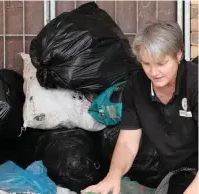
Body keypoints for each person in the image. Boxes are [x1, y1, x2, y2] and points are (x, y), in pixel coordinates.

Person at [82, 21, 198, 194]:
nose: (154, 72)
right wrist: (113, 176)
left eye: (161, 64)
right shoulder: (136, 86)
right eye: (147, 64)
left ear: (178, 55)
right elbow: (128, 142)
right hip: (179, 171)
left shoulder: (195, 83)